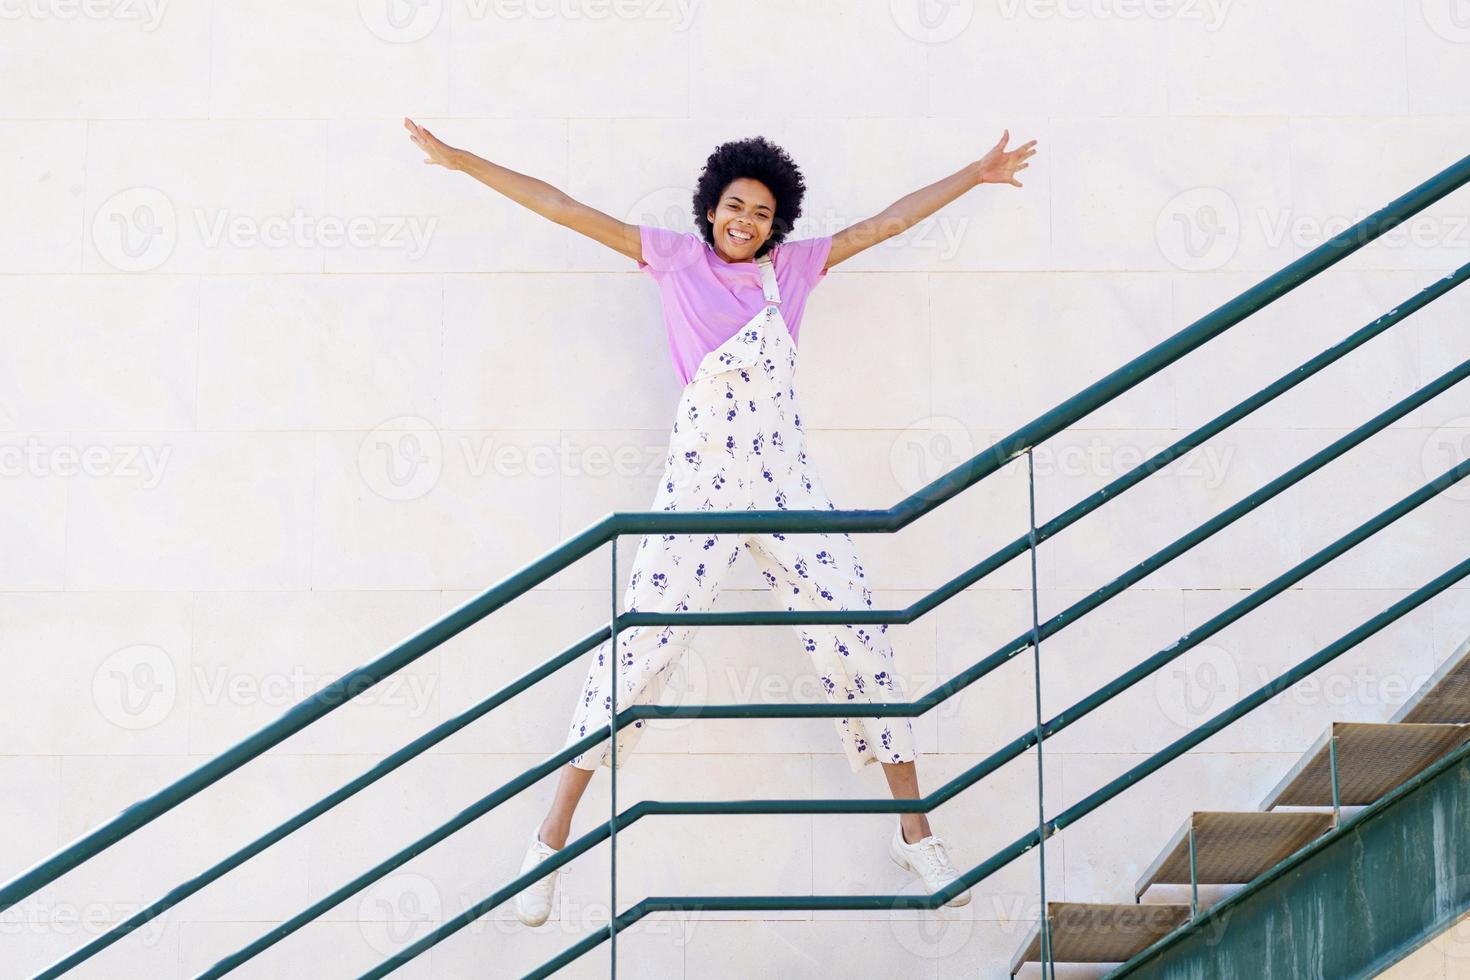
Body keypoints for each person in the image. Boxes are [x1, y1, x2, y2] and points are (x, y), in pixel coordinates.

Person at [403, 119, 1037, 928]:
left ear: (779, 223)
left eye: (763, 212)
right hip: (700, 481)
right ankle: (550, 838)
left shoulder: (795, 271)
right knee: (640, 644)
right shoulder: (671, 258)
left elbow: (890, 222)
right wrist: (461, 161)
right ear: (711, 209)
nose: (747, 221)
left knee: (859, 630)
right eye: (735, 206)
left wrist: (974, 173)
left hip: (783, 479)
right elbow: (560, 206)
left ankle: (915, 829)